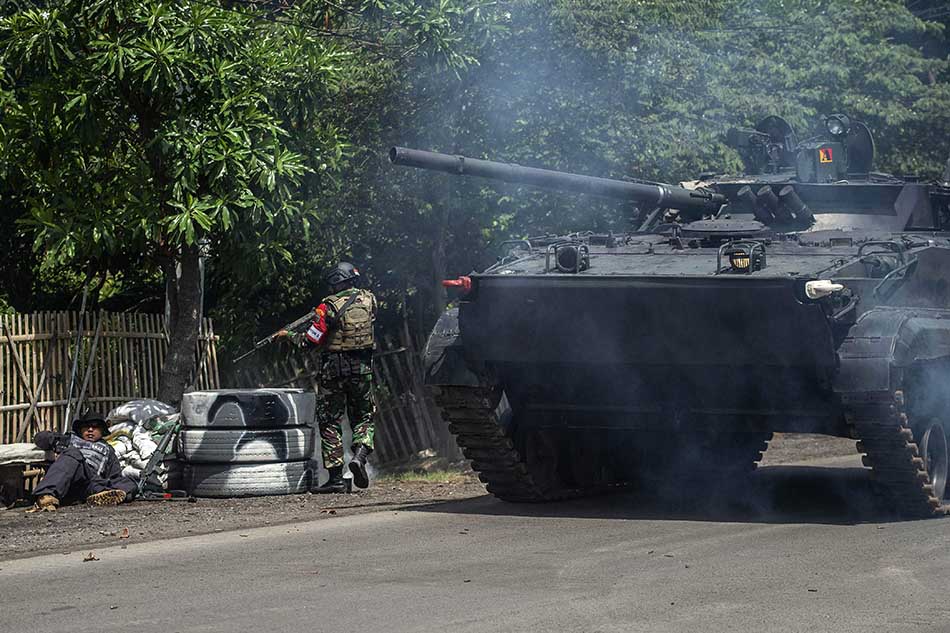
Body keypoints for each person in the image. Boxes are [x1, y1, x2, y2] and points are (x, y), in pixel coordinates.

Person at [279, 262, 378, 492]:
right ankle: (360, 457)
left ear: (335, 282)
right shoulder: (370, 300)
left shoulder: (328, 307)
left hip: (333, 372)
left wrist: (288, 336)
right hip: (362, 369)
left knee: (330, 422)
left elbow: (311, 340)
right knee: (363, 416)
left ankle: (335, 480)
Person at [27, 416, 137, 512]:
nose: (90, 430)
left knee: (129, 482)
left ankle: (101, 497)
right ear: (80, 429)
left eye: (95, 427)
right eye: (86, 426)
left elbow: (115, 475)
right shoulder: (69, 439)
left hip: (91, 482)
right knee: (73, 453)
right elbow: (40, 439)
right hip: (69, 476)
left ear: (102, 431)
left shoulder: (108, 450)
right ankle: (45, 496)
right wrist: (53, 437)